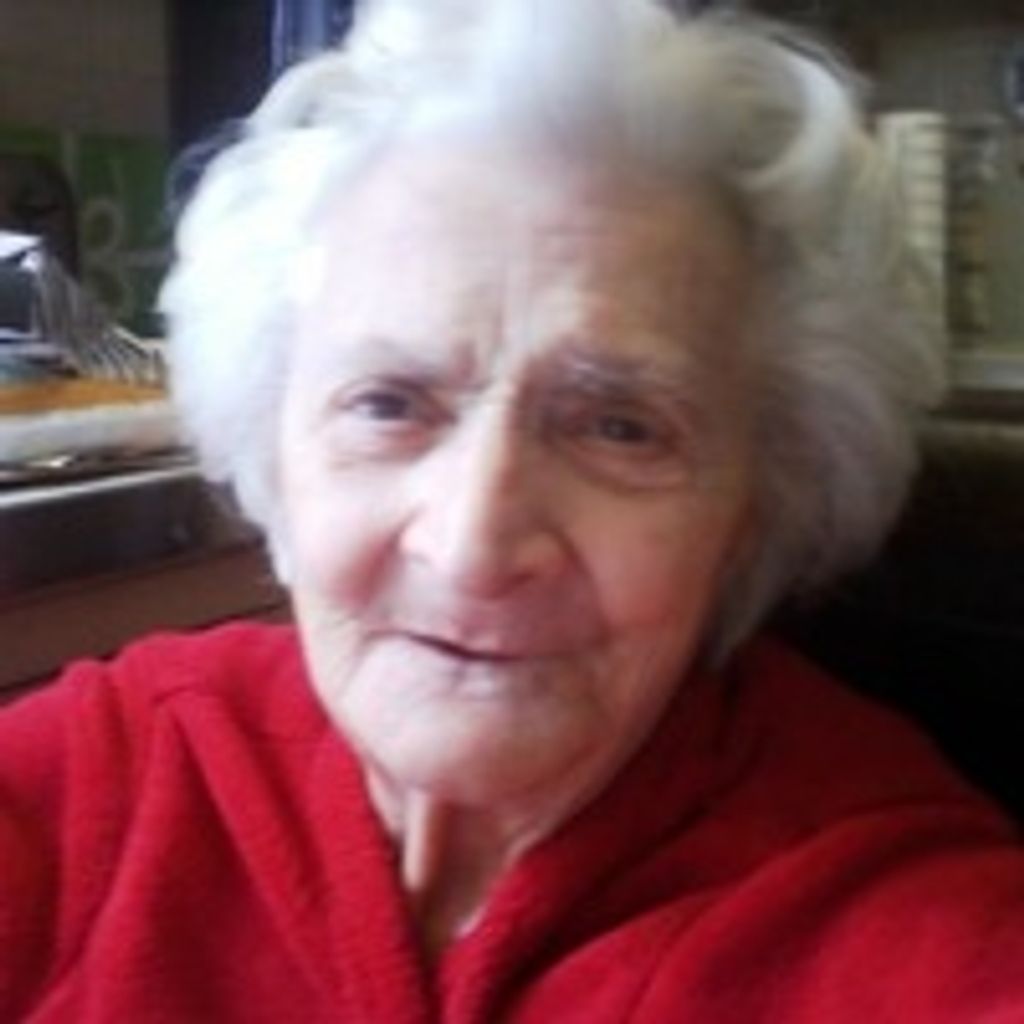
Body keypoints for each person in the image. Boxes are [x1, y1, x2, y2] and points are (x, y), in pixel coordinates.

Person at [3, 1, 1022, 1020]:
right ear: (275, 441)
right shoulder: (118, 774)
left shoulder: (897, 919)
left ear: (756, 504)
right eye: (388, 404)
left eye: (619, 427)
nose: (472, 546)